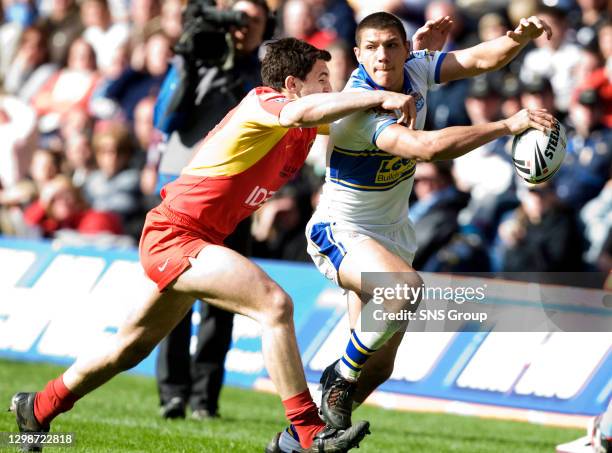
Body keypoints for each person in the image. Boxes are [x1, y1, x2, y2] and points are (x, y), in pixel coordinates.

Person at [9, 37, 420, 452]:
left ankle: (38, 408)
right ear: (292, 84)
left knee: (128, 348)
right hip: (175, 234)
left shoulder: (308, 118)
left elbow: (353, 117)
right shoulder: (264, 102)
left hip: (198, 238)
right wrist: (382, 95)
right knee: (274, 305)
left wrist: (415, 61)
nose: (332, 88)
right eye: (322, 79)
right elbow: (311, 110)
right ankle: (306, 430)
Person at [268, 11, 555, 453]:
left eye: (392, 45)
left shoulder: (417, 68)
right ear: (359, 55)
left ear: (406, 48)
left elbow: (480, 59)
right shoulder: (361, 106)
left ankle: (301, 443)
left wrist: (521, 36)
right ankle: (337, 378)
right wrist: (505, 126)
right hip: (343, 230)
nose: (383, 55)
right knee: (403, 290)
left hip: (393, 235)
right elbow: (427, 147)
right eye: (372, 48)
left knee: (379, 369)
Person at [154, 0, 269, 421]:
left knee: (222, 302)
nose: (241, 28)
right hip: (179, 193)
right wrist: (185, 62)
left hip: (232, 202)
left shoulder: (263, 76)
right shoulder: (197, 58)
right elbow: (164, 119)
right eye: (236, 18)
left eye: (252, 20)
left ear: (266, 26)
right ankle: (173, 393)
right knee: (174, 296)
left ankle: (205, 397)